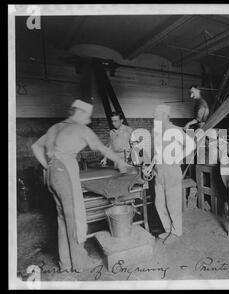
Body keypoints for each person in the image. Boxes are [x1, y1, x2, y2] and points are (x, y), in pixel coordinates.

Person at [31, 99, 128, 272]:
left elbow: (36, 147)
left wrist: (49, 166)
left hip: (52, 174)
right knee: (75, 219)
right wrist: (120, 162)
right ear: (80, 113)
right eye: (88, 116)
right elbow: (101, 147)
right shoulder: (81, 128)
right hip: (66, 172)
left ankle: (66, 263)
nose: (89, 120)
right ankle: (80, 264)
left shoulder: (56, 127)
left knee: (62, 219)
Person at [143, 104, 195, 245]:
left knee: (173, 204)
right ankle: (167, 228)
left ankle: (176, 232)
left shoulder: (175, 130)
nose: (155, 118)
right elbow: (157, 153)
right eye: (154, 116)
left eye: (157, 116)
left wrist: (178, 157)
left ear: (165, 115)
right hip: (158, 172)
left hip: (171, 172)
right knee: (159, 203)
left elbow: (191, 145)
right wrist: (151, 166)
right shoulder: (158, 131)